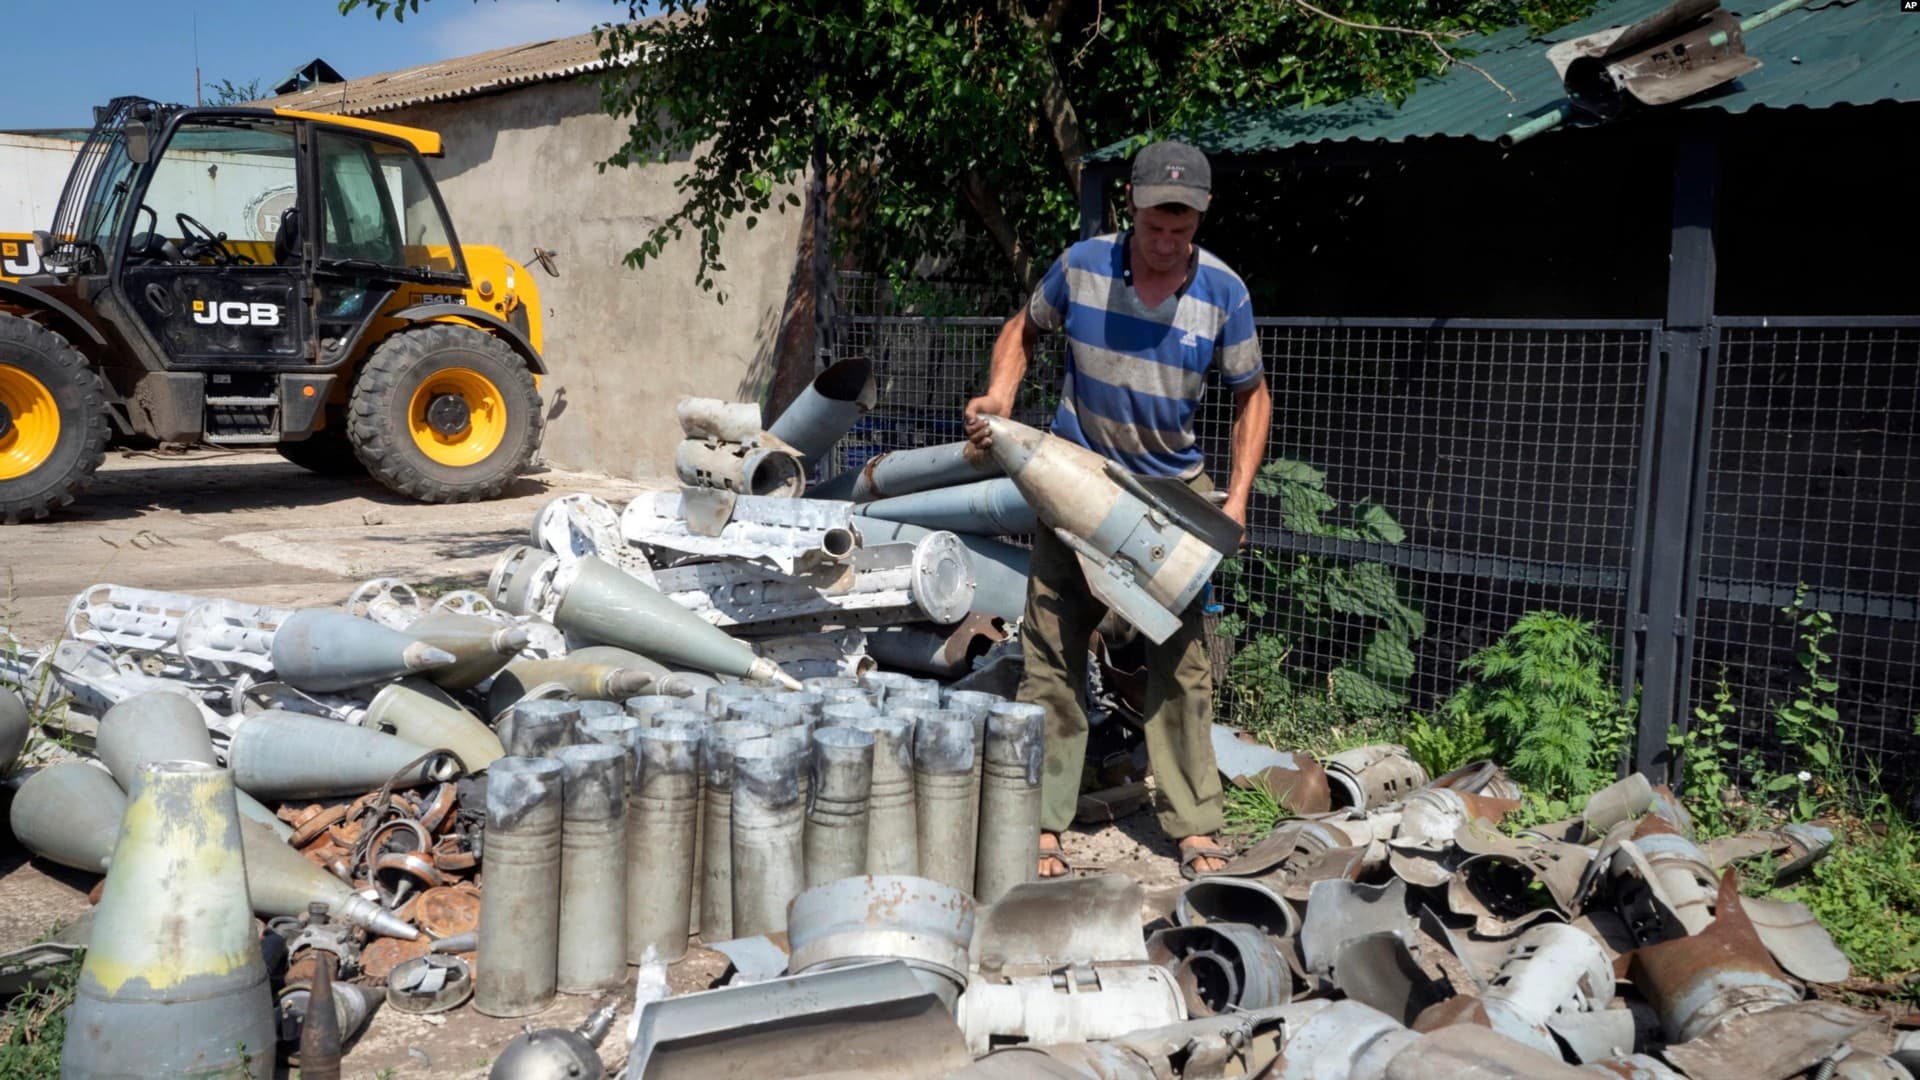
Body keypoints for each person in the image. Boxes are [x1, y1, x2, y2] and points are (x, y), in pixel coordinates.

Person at [964, 140, 1272, 880]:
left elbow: (1251, 395)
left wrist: (1235, 496)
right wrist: (1000, 397)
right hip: (1078, 483)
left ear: (1200, 218)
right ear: (1129, 204)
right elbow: (1022, 330)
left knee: (1181, 662)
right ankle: (1041, 821)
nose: (1167, 244)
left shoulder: (1223, 292)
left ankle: (1195, 823)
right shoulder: (1081, 267)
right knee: (1052, 654)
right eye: (1154, 226)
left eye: (1182, 229)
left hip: (1172, 500)